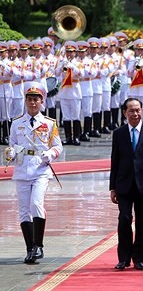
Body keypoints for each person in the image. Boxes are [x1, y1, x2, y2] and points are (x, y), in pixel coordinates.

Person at [5, 81, 63, 264]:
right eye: (29, 99)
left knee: (36, 204)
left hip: (40, 169)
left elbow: (58, 146)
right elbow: (12, 144)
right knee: (23, 211)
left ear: (42, 101)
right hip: (22, 169)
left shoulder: (49, 123)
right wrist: (11, 152)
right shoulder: (16, 123)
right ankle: (30, 248)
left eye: (36, 99)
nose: (32, 103)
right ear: (25, 101)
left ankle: (39, 245)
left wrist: (51, 154)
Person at [109, 97, 143, 270]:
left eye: (138, 110)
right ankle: (124, 258)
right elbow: (114, 160)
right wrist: (113, 187)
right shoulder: (119, 133)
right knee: (124, 219)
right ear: (124, 113)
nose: (135, 114)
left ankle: (139, 258)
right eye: (131, 110)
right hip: (124, 184)